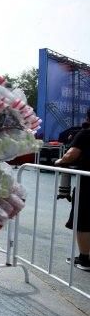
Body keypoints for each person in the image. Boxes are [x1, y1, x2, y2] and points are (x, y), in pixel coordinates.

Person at [55, 108, 90, 271]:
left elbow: (70, 155)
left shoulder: (84, 134)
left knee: (83, 220)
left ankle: (84, 259)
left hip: (87, 184)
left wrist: (59, 161)